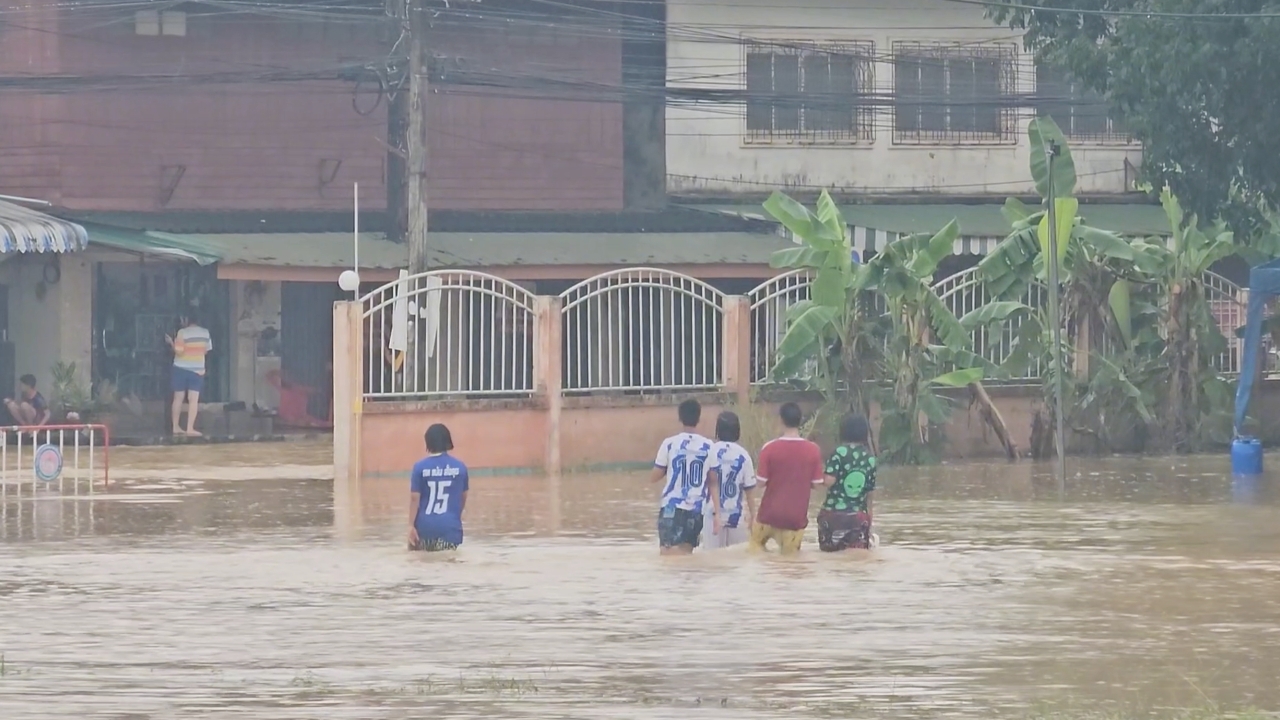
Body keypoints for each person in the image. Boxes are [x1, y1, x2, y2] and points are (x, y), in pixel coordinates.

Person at [750, 402, 824, 555]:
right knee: (790, 564)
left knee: (754, 552)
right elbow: (817, 485)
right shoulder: (813, 450)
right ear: (800, 421)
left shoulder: (769, 448)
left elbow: (760, 483)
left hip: (768, 516)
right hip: (795, 520)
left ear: (780, 420)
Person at [650, 398, 714, 555]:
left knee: (667, 555)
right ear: (698, 419)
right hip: (696, 510)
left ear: (680, 418)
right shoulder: (709, 446)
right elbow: (713, 480)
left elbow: (655, 476)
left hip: (672, 507)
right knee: (686, 555)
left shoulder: (670, 443)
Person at [817, 414, 878, 552]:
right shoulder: (870, 458)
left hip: (833, 515)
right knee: (856, 558)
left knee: (831, 557)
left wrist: (816, 476)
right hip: (858, 517)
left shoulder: (839, 453)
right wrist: (868, 526)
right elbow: (870, 496)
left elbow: (828, 481)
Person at [700, 411, 757, 550]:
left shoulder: (709, 451)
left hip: (712, 514)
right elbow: (749, 490)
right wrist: (753, 517)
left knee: (711, 557)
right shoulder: (744, 455)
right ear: (738, 431)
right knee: (736, 561)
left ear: (717, 430)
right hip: (735, 515)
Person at [408, 423, 470, 552]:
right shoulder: (460, 467)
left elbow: (415, 499)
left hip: (425, 527)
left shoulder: (419, 467)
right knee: (448, 565)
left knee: (423, 565)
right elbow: (463, 498)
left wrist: (410, 526)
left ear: (428, 442)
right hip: (450, 528)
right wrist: (454, 517)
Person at [166, 312, 212, 437]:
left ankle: (176, 427)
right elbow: (206, 350)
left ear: (186, 320)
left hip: (180, 368)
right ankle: (190, 428)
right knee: (193, 400)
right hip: (197, 369)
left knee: (178, 398)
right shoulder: (205, 333)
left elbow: (179, 352)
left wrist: (171, 342)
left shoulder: (182, 333)